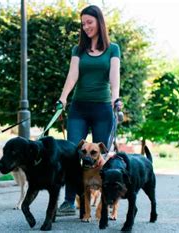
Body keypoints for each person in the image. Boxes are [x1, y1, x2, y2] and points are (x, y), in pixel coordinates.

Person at [56, 5, 123, 216]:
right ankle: (69, 201)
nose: (85, 27)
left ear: (99, 22)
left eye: (89, 22)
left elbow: (114, 77)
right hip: (79, 109)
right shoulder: (78, 50)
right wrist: (63, 97)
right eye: (83, 23)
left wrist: (115, 99)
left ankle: (105, 201)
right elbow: (72, 75)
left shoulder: (113, 49)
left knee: (101, 157)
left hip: (103, 109)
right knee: (71, 152)